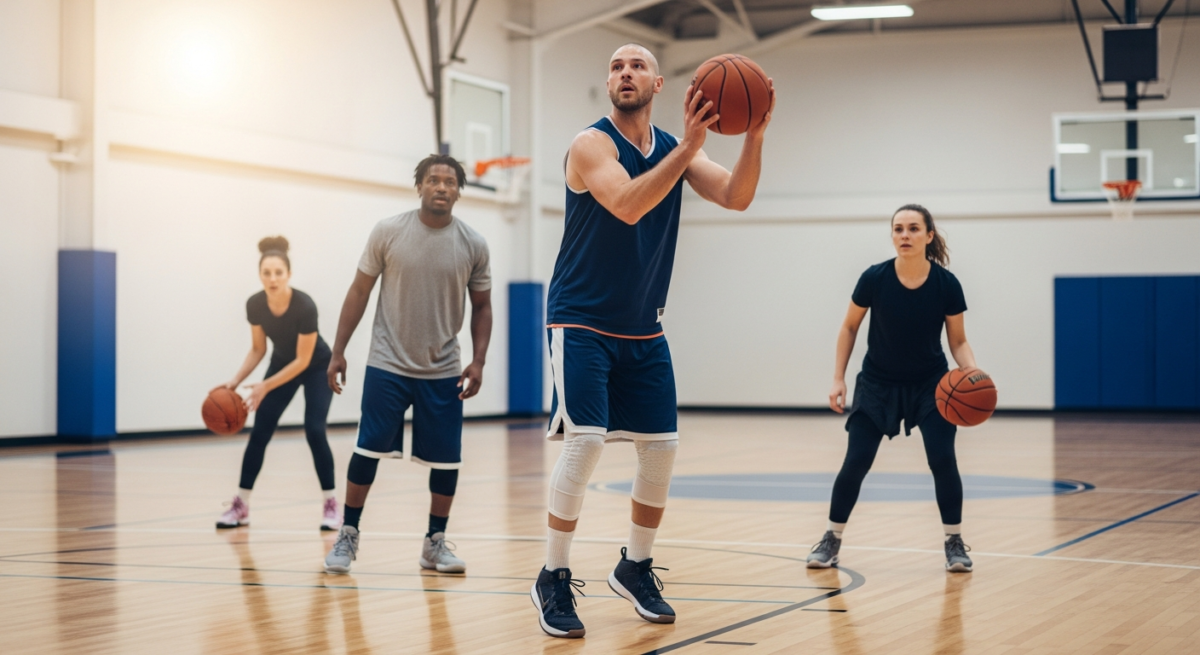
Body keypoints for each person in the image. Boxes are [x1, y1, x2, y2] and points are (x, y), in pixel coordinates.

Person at [530, 43, 775, 639]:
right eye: (615, 65)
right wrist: (692, 146)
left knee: (661, 448)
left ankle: (635, 565)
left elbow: (737, 196)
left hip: (643, 323)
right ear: (609, 83)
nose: (625, 73)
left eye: (637, 65)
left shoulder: (672, 148)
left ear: (659, 83)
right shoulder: (592, 145)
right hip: (581, 317)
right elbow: (629, 205)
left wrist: (755, 135)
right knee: (585, 442)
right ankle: (552, 576)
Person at [322, 154, 492, 576]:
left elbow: (483, 306)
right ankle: (348, 534)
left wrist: (479, 360)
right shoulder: (388, 232)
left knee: (447, 461)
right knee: (367, 450)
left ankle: (435, 543)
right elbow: (359, 292)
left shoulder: (473, 243)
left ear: (458, 190)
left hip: (444, 368)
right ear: (419, 186)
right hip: (388, 363)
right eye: (432, 180)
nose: (441, 187)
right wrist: (338, 350)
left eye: (449, 182)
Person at [806, 204, 979, 573]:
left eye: (914, 229)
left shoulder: (947, 284)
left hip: (932, 385)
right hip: (878, 384)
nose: (905, 235)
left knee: (942, 460)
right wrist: (838, 378)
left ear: (928, 236)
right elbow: (849, 327)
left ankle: (954, 542)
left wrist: (973, 374)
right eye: (898, 229)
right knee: (856, 462)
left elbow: (958, 341)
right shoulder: (874, 278)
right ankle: (831, 538)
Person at [214, 236, 339, 531]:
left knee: (315, 430)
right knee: (260, 432)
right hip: (282, 362)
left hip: (316, 365)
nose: (272, 279)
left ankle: (332, 505)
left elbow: (303, 361)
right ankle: (241, 505)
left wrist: (264, 386)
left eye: (278, 273)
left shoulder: (305, 305)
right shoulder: (255, 305)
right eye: (266, 273)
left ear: (289, 275)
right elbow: (258, 349)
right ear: (260, 275)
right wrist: (233, 382)